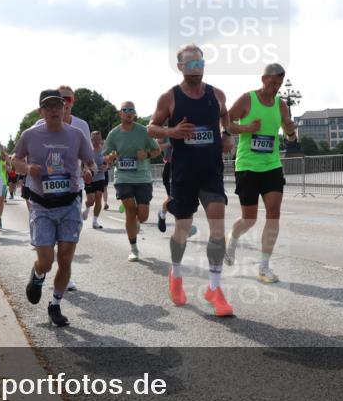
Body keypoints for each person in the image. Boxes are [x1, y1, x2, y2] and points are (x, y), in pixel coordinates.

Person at [148, 44, 235, 317]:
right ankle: (176, 274)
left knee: (218, 227)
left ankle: (215, 288)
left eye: (200, 63)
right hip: (183, 173)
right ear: (181, 67)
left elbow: (225, 116)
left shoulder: (217, 94)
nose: (197, 68)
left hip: (211, 171)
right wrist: (172, 131)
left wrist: (228, 134)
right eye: (191, 64)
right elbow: (151, 128)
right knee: (183, 228)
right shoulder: (169, 98)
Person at [11, 90, 95, 327]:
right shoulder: (30, 135)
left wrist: (89, 171)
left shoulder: (76, 135)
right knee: (47, 261)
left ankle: (55, 304)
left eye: (58, 105)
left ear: (65, 108)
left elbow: (90, 161)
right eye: (48, 107)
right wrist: (27, 169)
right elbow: (15, 160)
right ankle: (38, 275)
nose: (55, 110)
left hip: (69, 203)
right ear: (41, 111)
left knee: (66, 259)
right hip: (42, 205)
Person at [223, 63, 298, 283]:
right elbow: (226, 121)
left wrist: (292, 132)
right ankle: (233, 238)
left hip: (272, 164)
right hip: (247, 165)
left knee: (274, 212)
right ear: (263, 79)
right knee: (250, 218)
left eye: (279, 84)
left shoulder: (281, 105)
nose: (276, 87)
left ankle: (264, 267)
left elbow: (290, 137)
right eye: (273, 83)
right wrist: (246, 128)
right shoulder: (248, 99)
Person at [104, 101, 161, 261]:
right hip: (123, 176)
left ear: (135, 114)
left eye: (132, 110)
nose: (129, 112)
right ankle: (134, 249)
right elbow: (105, 154)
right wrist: (109, 157)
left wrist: (148, 155)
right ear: (120, 113)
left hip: (142, 177)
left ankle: (137, 221)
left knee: (143, 216)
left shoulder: (143, 131)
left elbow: (157, 150)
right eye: (125, 110)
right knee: (130, 209)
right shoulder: (113, 134)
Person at [86, 131, 108, 229]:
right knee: (91, 200)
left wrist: (106, 166)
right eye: (94, 139)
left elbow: (108, 162)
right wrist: (87, 169)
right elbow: (82, 162)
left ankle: (95, 221)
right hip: (89, 178)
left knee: (98, 196)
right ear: (91, 139)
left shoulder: (104, 150)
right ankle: (86, 209)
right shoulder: (87, 150)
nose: (96, 141)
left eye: (98, 139)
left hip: (100, 177)